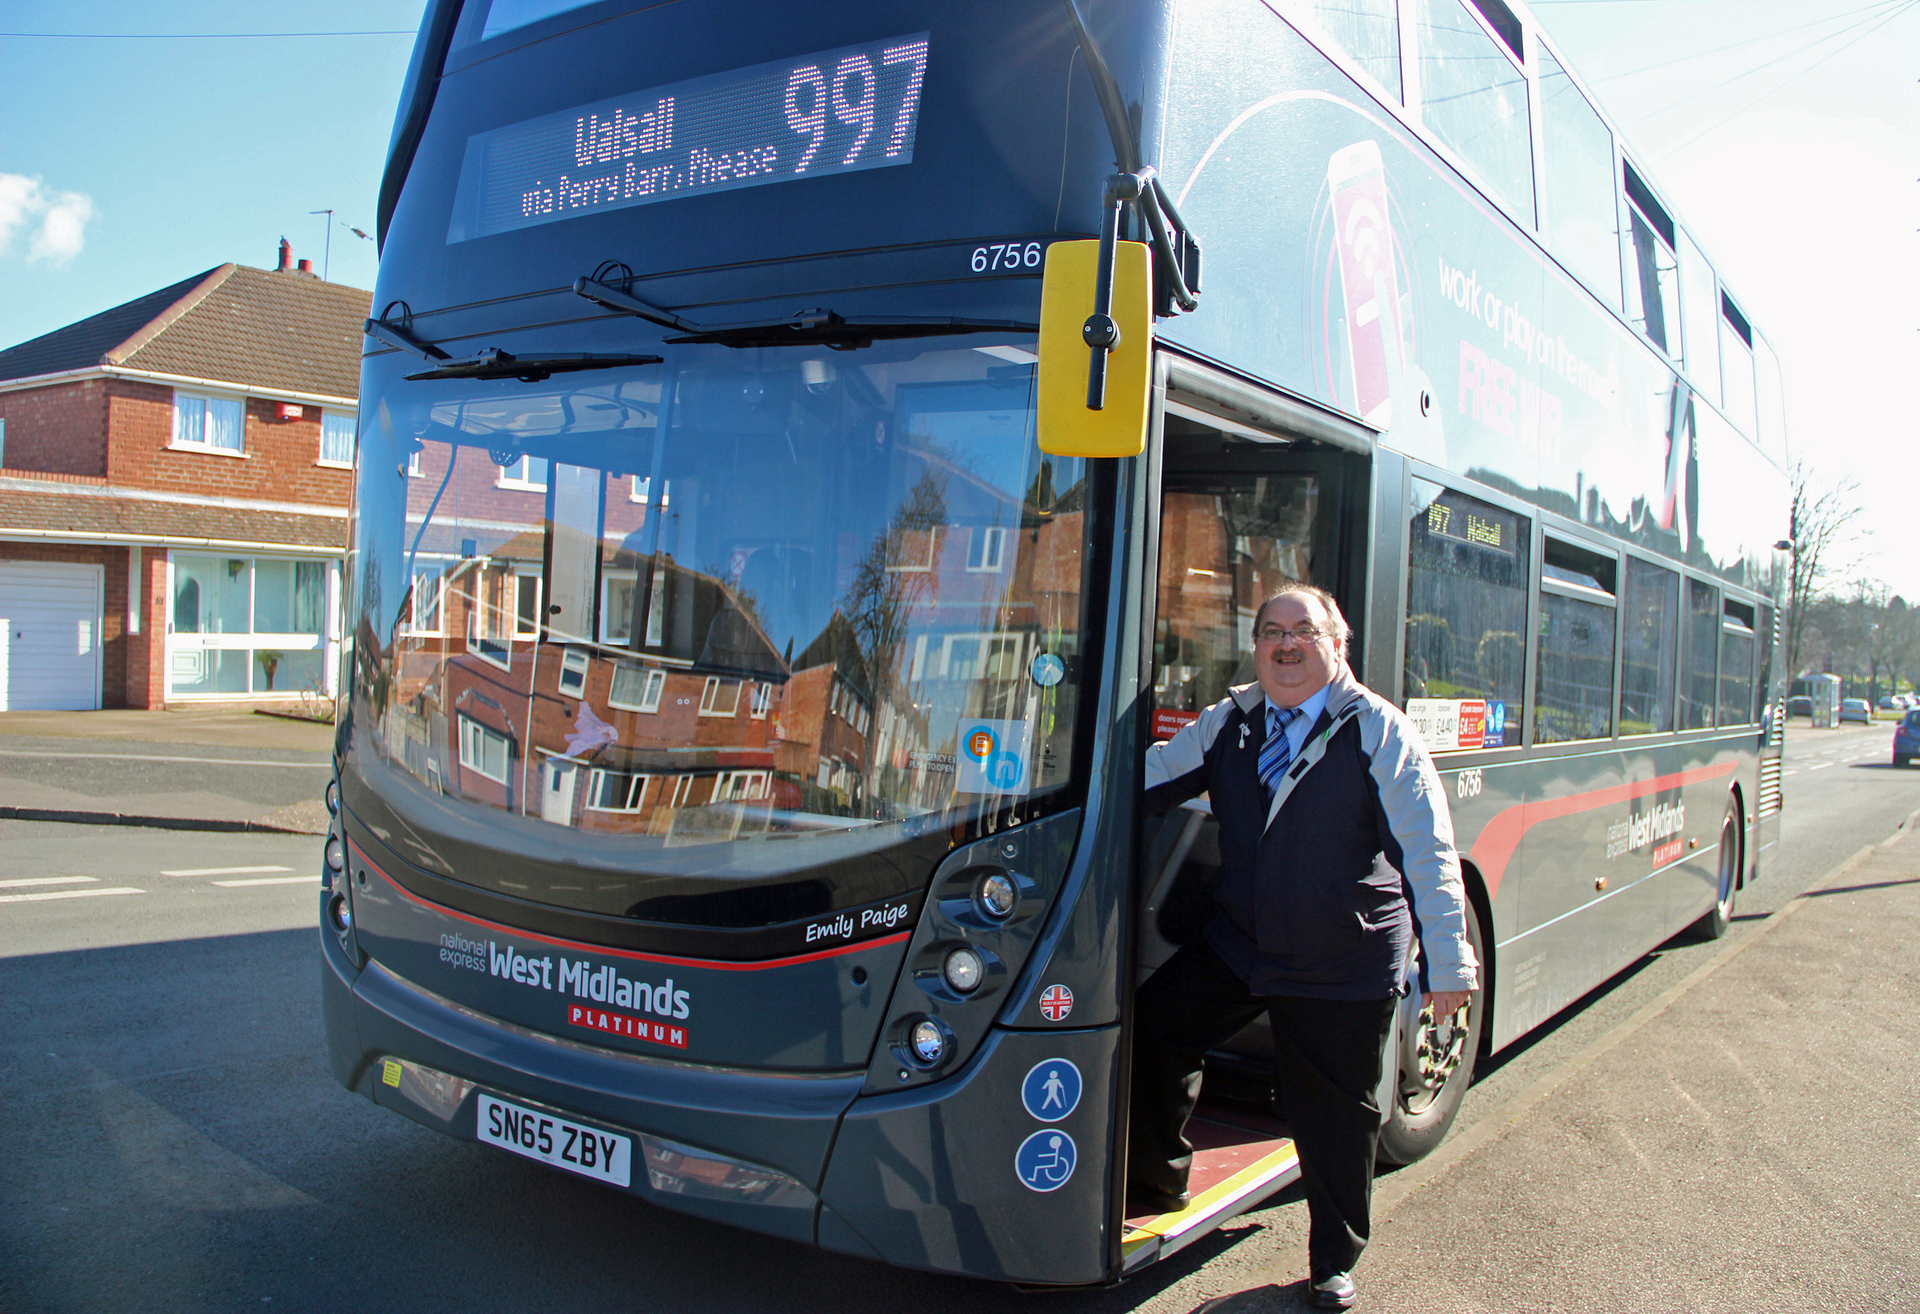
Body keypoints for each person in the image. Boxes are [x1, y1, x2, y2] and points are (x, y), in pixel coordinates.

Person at [1130, 584, 1478, 1311]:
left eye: (1303, 632)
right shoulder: (1231, 720)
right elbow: (1148, 781)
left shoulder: (1379, 733)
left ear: (1336, 646)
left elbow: (1430, 857)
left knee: (1336, 1118)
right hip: (1247, 942)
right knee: (1157, 1025)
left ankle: (1332, 1263)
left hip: (1340, 960)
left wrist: (1449, 963)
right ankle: (1156, 1184)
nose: (1285, 645)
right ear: (1254, 647)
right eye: (1270, 632)